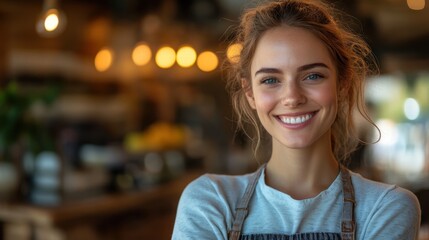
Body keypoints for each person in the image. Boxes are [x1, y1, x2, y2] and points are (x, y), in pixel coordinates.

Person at [172, 0, 421, 239]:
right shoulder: (210, 201)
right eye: (270, 80)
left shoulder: (386, 207)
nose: (292, 97)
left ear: (342, 83)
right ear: (250, 93)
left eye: (312, 76)